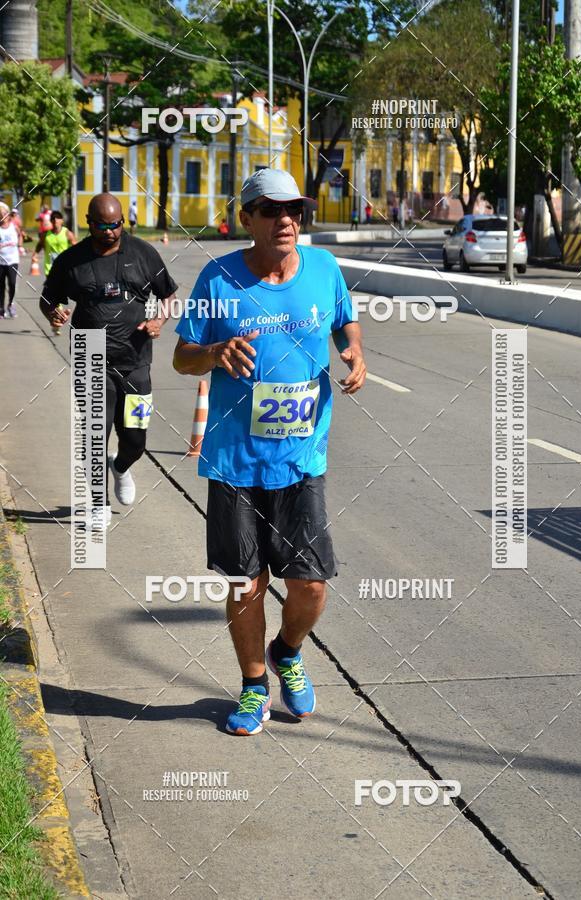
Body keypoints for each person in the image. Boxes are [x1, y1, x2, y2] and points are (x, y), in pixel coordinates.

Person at [173, 168, 366, 736]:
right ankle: (255, 685)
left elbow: (344, 323)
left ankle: (287, 650)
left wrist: (354, 353)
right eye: (273, 209)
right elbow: (183, 357)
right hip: (235, 461)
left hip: (301, 458)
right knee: (245, 582)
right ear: (247, 218)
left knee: (310, 586)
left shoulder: (324, 269)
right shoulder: (218, 279)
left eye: (296, 211)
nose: (287, 219)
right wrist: (214, 353)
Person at [39, 193, 178, 528]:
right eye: (103, 225)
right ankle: (97, 502)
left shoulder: (143, 253)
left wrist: (159, 320)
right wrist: (53, 314)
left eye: (116, 225)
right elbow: (48, 298)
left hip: (136, 361)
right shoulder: (71, 260)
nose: (111, 232)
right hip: (90, 357)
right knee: (93, 436)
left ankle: (120, 467)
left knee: (136, 439)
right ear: (89, 223)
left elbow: (170, 296)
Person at [0, 201, 21, 318]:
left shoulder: (14, 227)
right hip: (0, 262)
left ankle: (10, 304)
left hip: (12, 260)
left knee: (12, 283)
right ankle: (1, 309)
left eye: (4, 213)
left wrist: (21, 246)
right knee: (1, 286)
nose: (2, 215)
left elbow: (20, 236)